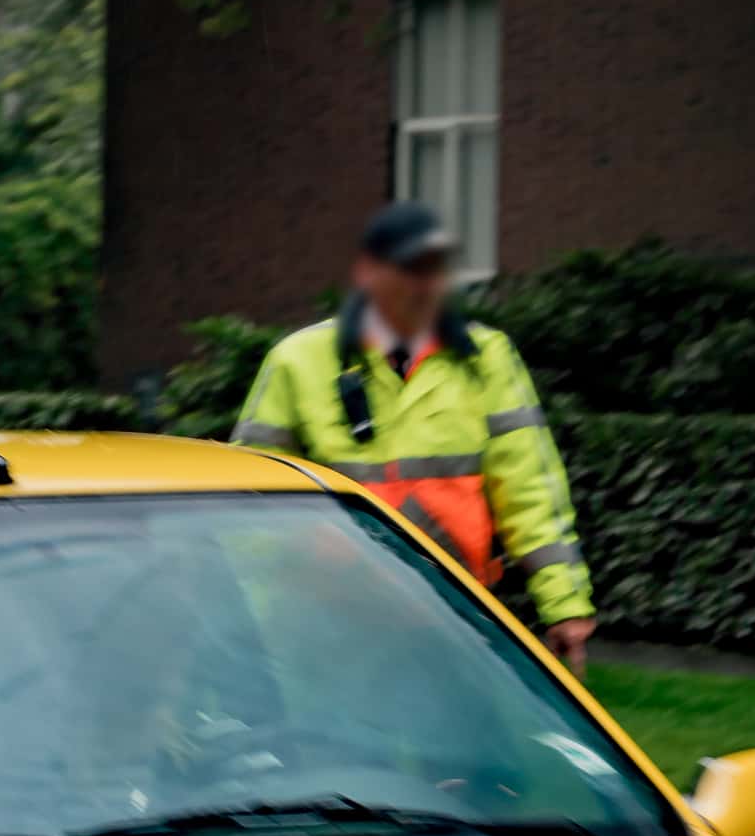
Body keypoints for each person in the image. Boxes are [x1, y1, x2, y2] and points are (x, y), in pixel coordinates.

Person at [229, 201, 595, 669]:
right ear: (368, 273)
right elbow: (254, 503)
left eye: (434, 271)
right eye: (409, 270)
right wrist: (260, 615)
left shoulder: (486, 357)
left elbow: (530, 489)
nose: (423, 286)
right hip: (332, 615)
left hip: (453, 609)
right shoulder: (298, 361)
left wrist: (564, 604)